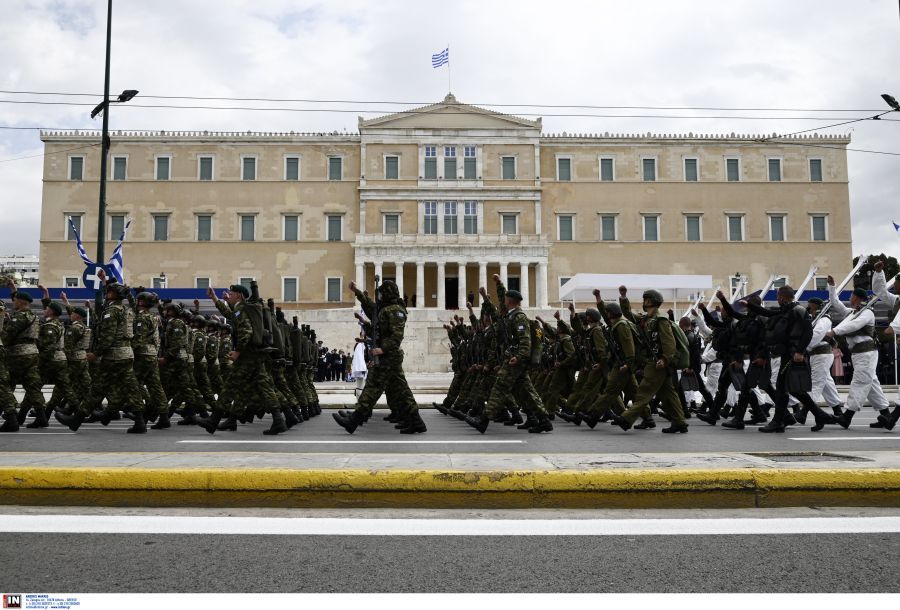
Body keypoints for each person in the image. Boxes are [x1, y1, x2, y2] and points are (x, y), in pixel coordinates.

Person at [333, 279, 425, 434]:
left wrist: (382, 349)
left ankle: (354, 420)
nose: (380, 297)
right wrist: (357, 292)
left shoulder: (396, 310)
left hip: (388, 357)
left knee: (373, 388)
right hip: (388, 357)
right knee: (402, 391)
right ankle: (417, 422)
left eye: (382, 293)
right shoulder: (385, 310)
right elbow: (372, 312)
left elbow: (397, 336)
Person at [56, 277, 145, 433]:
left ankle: (76, 420)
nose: (106, 293)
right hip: (126, 354)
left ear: (114, 295)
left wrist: (96, 353)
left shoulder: (112, 311)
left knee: (97, 389)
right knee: (132, 389)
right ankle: (139, 422)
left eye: (109, 291)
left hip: (114, 357)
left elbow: (108, 337)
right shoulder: (127, 311)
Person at [465, 277, 553, 434]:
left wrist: (518, 357)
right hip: (514, 359)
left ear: (510, 301)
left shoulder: (519, 317)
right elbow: (495, 308)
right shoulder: (509, 316)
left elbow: (525, 342)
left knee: (499, 387)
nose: (503, 301)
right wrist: (493, 290)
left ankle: (483, 421)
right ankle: (543, 420)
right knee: (526, 390)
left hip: (516, 360)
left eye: (505, 299)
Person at [612, 288, 688, 434]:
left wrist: (665, 359)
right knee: (668, 393)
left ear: (653, 302)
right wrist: (623, 298)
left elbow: (669, 343)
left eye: (647, 299)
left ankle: (627, 419)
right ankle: (680, 422)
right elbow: (628, 315)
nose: (644, 302)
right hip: (655, 362)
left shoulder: (661, 320)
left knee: (644, 391)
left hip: (658, 363)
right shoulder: (646, 320)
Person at [826, 280, 892, 430]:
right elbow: (836, 303)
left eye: (851, 295)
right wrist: (832, 287)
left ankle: (847, 416)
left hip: (867, 353)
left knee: (860, 382)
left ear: (857, 298)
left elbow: (854, 325)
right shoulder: (853, 313)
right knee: (871, 385)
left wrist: (835, 331)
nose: (849, 298)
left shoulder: (867, 313)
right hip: (859, 354)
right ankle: (886, 415)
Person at [351, 331, 368, 398]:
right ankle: (359, 402)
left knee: (365, 387)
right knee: (360, 386)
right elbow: (359, 358)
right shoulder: (359, 345)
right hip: (362, 368)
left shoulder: (366, 344)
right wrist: (362, 368)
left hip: (367, 368)